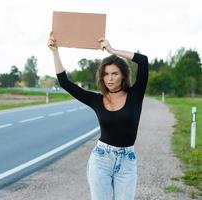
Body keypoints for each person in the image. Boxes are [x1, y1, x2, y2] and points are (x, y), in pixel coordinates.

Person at [47, 32, 148, 200]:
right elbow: (65, 83)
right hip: (101, 160)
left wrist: (112, 50)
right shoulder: (97, 100)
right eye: (106, 74)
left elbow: (143, 61)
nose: (110, 78)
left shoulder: (135, 95)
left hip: (127, 162)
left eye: (114, 73)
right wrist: (54, 51)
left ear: (123, 75)